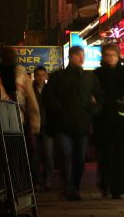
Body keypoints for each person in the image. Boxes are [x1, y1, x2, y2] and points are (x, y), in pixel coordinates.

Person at [43, 45, 104, 201]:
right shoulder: (59, 76)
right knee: (66, 155)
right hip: (64, 124)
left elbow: (100, 97)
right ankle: (69, 186)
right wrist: (60, 110)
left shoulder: (89, 77)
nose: (81, 58)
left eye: (83, 55)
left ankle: (74, 186)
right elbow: (48, 97)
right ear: (71, 56)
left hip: (81, 124)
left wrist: (92, 111)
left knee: (79, 158)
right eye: (78, 55)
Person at [93, 43, 124, 199]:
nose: (110, 58)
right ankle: (105, 185)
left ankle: (117, 188)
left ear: (118, 56)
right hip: (103, 120)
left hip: (120, 119)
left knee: (119, 155)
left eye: (112, 55)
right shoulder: (98, 74)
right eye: (107, 55)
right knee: (105, 155)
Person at [0, 46, 41, 136]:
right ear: (15, 58)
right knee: (18, 143)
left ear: (0, 58)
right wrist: (35, 124)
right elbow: (31, 100)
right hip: (18, 119)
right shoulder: (22, 76)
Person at [32, 65, 54, 190]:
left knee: (48, 154)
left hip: (47, 125)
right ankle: (37, 181)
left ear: (46, 76)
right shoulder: (31, 90)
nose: (40, 78)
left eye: (42, 75)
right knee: (35, 154)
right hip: (34, 125)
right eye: (38, 75)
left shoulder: (50, 89)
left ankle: (47, 179)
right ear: (34, 76)